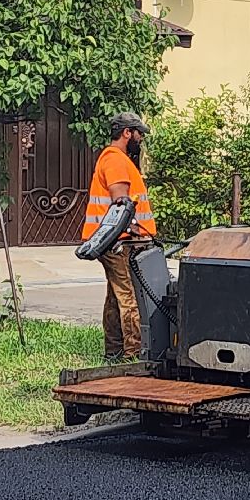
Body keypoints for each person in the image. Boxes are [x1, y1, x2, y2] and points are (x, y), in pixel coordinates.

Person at [82, 112, 156, 363]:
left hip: (114, 241)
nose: (141, 138)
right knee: (128, 297)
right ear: (127, 133)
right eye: (139, 133)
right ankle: (133, 354)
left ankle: (113, 352)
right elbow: (121, 203)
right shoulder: (115, 161)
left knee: (115, 297)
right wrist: (134, 228)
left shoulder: (114, 159)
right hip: (118, 243)